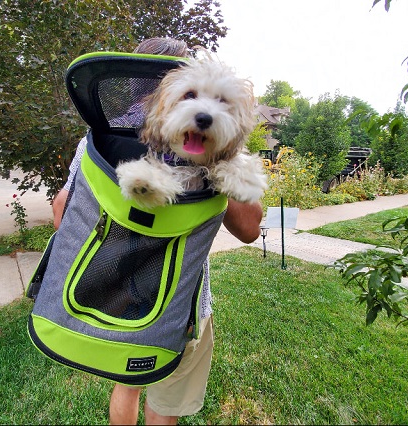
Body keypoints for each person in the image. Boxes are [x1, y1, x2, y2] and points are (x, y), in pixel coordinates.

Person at [50, 38, 263, 425]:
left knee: (129, 379)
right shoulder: (219, 143)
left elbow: (62, 209)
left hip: (121, 293)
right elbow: (249, 229)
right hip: (182, 300)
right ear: (167, 90)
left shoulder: (98, 137)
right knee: (167, 393)